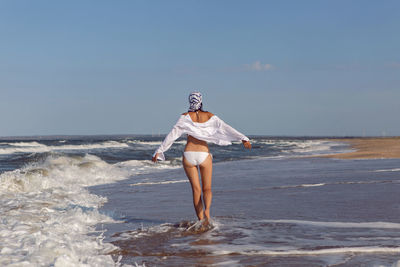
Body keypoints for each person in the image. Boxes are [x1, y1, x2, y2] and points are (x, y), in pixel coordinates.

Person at [152, 91, 251, 224]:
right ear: (201, 101)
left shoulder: (185, 117)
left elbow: (172, 135)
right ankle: (207, 213)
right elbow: (226, 128)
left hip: (189, 155)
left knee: (196, 189)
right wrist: (243, 138)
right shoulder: (210, 116)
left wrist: (159, 151)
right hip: (204, 154)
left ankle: (200, 220)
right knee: (207, 188)